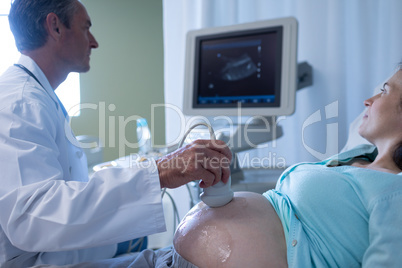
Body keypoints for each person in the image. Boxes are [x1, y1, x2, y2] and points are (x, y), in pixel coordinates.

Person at [0, 0, 231, 267]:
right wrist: (161, 172)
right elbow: (34, 219)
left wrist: (156, 171)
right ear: (55, 27)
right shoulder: (19, 102)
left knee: (167, 255)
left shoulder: (36, 96)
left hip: (53, 254)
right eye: (86, 28)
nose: (94, 41)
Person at [172, 66, 402, 267]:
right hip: (171, 259)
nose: (369, 100)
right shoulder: (357, 157)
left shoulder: (394, 190)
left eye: (384, 90)